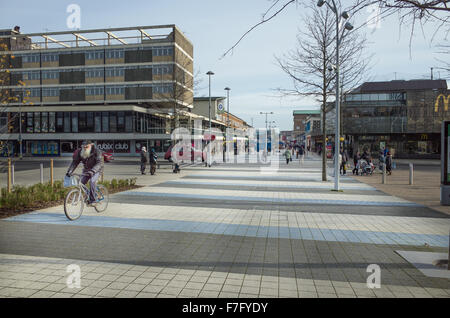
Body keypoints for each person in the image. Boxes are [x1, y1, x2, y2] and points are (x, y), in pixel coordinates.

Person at [66, 140, 104, 206]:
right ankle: (89, 195)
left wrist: (93, 171)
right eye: (84, 146)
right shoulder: (80, 152)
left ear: (91, 145)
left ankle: (93, 200)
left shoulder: (97, 151)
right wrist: (70, 171)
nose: (85, 147)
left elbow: (99, 163)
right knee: (81, 183)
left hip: (97, 170)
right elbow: (75, 162)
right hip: (86, 170)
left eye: (87, 146)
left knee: (92, 182)